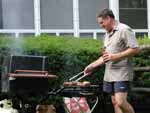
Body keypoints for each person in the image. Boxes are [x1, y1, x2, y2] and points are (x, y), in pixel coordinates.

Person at [84, 8, 140, 113]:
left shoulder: (124, 29)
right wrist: (92, 66)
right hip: (109, 74)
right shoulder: (107, 34)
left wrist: (116, 56)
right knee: (114, 102)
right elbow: (106, 57)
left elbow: (135, 49)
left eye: (102, 23)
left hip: (122, 72)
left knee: (121, 102)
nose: (101, 26)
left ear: (108, 18)